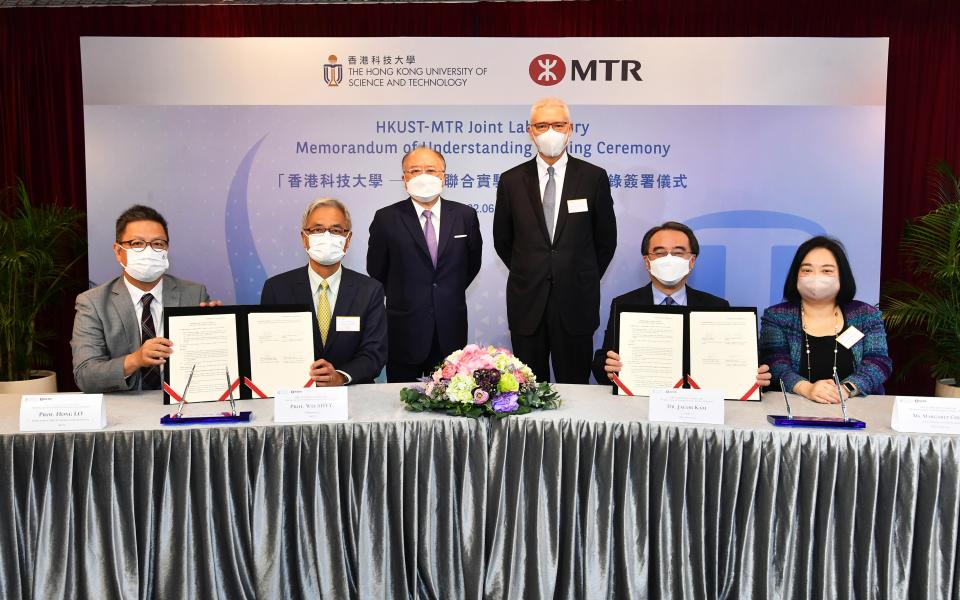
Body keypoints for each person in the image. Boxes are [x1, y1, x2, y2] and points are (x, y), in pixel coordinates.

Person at [493, 97, 617, 384]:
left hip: (576, 302)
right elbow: (503, 240)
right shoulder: (511, 180)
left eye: (558, 125)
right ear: (531, 131)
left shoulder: (593, 177)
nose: (551, 131)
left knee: (575, 387)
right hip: (528, 303)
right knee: (525, 390)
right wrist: (532, 269)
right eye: (542, 125)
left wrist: (577, 274)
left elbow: (605, 241)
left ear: (570, 129)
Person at [593, 221, 772, 387]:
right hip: (641, 402)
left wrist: (755, 376)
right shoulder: (624, 304)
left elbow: (744, 363)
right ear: (647, 262)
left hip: (700, 406)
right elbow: (603, 359)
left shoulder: (716, 307)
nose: (669, 259)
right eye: (660, 253)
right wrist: (608, 368)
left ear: (691, 261)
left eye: (678, 253)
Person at [71, 205, 217, 393]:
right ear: (118, 251)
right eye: (137, 244)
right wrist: (135, 359)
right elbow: (85, 375)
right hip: (123, 412)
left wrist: (217, 328)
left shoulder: (194, 294)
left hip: (181, 406)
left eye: (157, 244)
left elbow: (213, 364)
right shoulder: (93, 303)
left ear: (166, 250)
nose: (148, 251)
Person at [367, 147, 482, 381]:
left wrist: (445, 294)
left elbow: (471, 265)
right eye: (415, 171)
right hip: (404, 331)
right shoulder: (386, 218)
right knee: (402, 405)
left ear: (443, 177)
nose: (423, 176)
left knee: (450, 407)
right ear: (404, 179)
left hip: (450, 328)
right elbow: (377, 271)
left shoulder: (465, 216)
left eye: (430, 170)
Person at [261, 197, 386, 386]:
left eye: (335, 231)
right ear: (305, 237)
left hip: (353, 397)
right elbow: (267, 349)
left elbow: (374, 354)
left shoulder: (370, 290)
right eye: (318, 230)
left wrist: (340, 376)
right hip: (295, 396)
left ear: (347, 239)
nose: (327, 237)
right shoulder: (276, 289)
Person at [760, 235, 891, 403]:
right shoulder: (776, 316)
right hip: (794, 411)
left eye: (827, 270)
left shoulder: (865, 314)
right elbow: (776, 365)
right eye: (807, 270)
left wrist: (845, 390)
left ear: (842, 276)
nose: (816, 277)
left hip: (857, 411)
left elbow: (878, 362)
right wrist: (807, 389)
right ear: (796, 275)